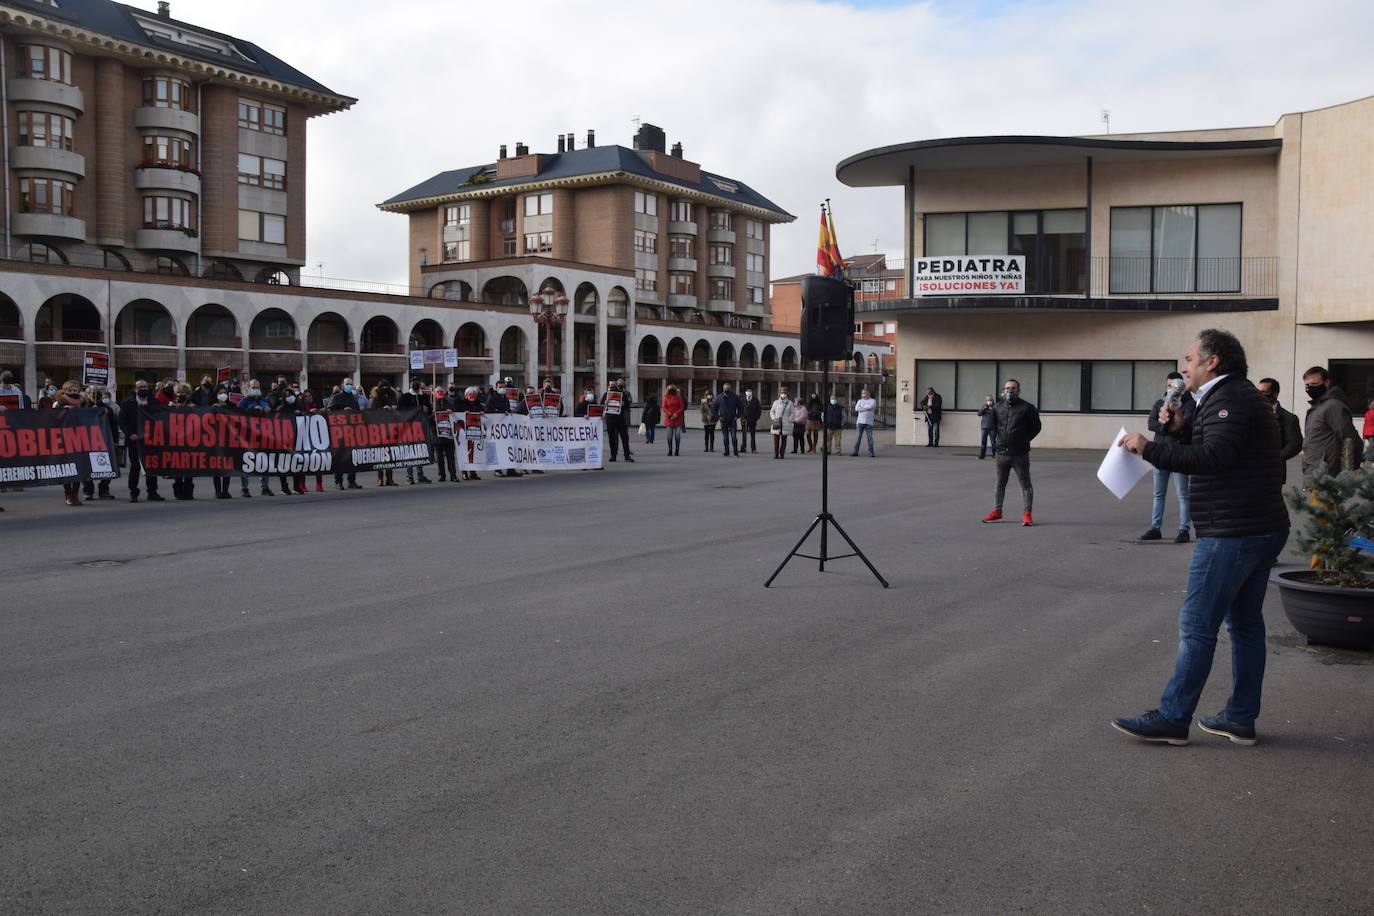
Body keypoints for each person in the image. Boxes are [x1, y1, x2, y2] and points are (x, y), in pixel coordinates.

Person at [1113, 329, 1289, 746]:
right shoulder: (1229, 398)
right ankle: (1239, 718)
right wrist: (1178, 427)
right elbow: (1216, 447)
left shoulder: (1229, 398)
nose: (1184, 367)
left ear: (1213, 362)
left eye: (1190, 359)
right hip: (1257, 525)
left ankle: (1174, 717)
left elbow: (1213, 458)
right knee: (1245, 625)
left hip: (1235, 531)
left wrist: (1149, 447)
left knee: (1197, 626)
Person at [1140, 371, 1195, 544]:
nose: (1172, 389)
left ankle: (1184, 530)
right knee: (1158, 494)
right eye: (1169, 386)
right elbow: (1152, 423)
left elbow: (1186, 426)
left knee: (1183, 494)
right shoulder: (1159, 403)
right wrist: (1168, 428)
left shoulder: (1190, 404)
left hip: (1179, 454)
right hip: (1160, 454)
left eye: (1175, 386)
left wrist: (1169, 425)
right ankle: (1155, 528)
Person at [981, 380, 1041, 526]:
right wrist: (999, 440)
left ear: (1018, 390)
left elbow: (1036, 427)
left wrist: (1024, 439)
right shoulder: (997, 407)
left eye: (1013, 388)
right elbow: (993, 425)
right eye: (1008, 388)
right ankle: (997, 512)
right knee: (1000, 484)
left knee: (1025, 484)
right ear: (1003, 390)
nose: (1010, 391)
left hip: (1020, 453)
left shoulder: (1027, 407)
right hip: (1002, 453)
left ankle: (1027, 514)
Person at [1300, 366, 1360, 478]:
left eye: (1314, 384)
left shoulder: (1333, 406)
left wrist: (1349, 471)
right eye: (1307, 385)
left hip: (1327, 476)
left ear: (1326, 382)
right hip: (1314, 472)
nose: (1309, 388)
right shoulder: (1317, 407)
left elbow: (1350, 438)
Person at [120, 379, 163, 503]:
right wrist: (130, 434)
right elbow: (122, 421)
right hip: (134, 440)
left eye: (145, 386)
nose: (143, 389)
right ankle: (134, 492)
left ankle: (152, 492)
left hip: (151, 439)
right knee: (135, 467)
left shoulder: (154, 402)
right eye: (140, 387)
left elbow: (161, 416)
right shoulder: (128, 403)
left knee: (151, 465)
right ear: (135, 389)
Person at [50, 382, 87, 506]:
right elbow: (53, 419)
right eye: (71, 390)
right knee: (67, 468)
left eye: (76, 390)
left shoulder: (82, 403)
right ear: (65, 391)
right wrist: (64, 411)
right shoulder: (58, 404)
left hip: (79, 439)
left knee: (78, 467)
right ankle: (67, 493)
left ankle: (75, 494)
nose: (73, 392)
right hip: (64, 440)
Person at [239, 379, 276, 496]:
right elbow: (237, 414)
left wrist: (268, 411)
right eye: (253, 387)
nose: (255, 389)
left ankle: (265, 487)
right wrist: (251, 410)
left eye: (257, 387)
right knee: (245, 461)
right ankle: (244, 488)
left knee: (264, 461)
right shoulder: (244, 401)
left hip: (262, 435)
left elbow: (272, 414)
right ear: (249, 388)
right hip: (247, 436)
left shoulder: (264, 400)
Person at [81, 385, 117, 501]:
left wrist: (115, 440)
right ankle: (88, 491)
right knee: (86, 467)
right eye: (92, 392)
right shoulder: (82, 408)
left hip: (104, 441)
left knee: (107, 467)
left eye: (97, 392)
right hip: (87, 441)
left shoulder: (108, 409)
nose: (94, 394)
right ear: (87, 395)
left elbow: (113, 425)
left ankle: (104, 489)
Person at [1256, 378, 1303, 462]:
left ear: (1275, 394)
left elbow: (1294, 445)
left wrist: (1274, 458)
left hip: (1273, 470)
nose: (1260, 395)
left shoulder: (1289, 418)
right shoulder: (1252, 413)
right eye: (1258, 392)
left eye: (1264, 392)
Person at [328, 380, 363, 490]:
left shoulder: (353, 398)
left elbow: (358, 411)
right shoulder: (337, 397)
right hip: (340, 432)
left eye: (351, 384)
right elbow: (330, 411)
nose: (349, 386)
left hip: (352, 431)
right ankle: (338, 481)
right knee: (340, 457)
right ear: (342, 385)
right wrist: (343, 411)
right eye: (347, 384)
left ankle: (351, 481)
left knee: (352, 457)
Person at [398, 379, 434, 484]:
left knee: (420, 451)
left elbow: (430, 409)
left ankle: (420, 475)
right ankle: (410, 476)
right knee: (409, 452)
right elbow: (400, 409)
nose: (416, 385)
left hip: (421, 427)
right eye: (415, 383)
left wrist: (428, 409)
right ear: (410, 384)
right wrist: (417, 408)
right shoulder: (405, 396)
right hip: (409, 428)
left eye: (418, 383)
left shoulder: (424, 397)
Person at [168, 382, 196, 500]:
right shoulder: (171, 405)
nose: (180, 395)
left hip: (190, 440)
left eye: (183, 393)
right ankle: (178, 490)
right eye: (178, 393)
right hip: (176, 440)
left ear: (187, 394)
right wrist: (174, 409)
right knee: (178, 466)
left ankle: (188, 491)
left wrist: (191, 410)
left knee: (189, 467)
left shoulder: (193, 406)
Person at [602, 379, 634, 462]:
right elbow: (601, 404)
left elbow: (627, 405)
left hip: (620, 419)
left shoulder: (622, 394)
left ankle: (626, 455)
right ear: (608, 386)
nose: (612, 387)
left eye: (613, 385)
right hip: (610, 418)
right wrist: (605, 402)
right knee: (612, 438)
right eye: (611, 385)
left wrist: (623, 404)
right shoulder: (606, 394)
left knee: (624, 437)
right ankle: (613, 455)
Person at [715, 383, 743, 457]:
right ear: (723, 388)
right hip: (723, 420)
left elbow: (741, 408)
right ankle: (726, 451)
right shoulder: (719, 397)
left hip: (732, 420)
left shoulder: (735, 397)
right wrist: (718, 416)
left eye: (728, 388)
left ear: (730, 389)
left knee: (734, 437)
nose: (726, 389)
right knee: (725, 437)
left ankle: (735, 452)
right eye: (725, 388)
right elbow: (714, 408)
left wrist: (737, 416)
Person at [850, 388, 877, 457]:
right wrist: (866, 408)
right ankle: (855, 451)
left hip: (869, 423)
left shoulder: (873, 401)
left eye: (865, 393)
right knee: (858, 438)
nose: (863, 394)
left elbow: (871, 406)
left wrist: (862, 408)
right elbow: (856, 408)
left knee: (870, 438)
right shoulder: (860, 401)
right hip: (860, 422)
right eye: (862, 393)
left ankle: (871, 452)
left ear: (868, 393)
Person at [770, 387, 793, 459]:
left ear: (787, 394)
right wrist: (774, 418)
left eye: (784, 393)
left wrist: (789, 419)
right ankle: (776, 453)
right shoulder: (776, 402)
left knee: (784, 439)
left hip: (785, 422)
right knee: (776, 439)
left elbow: (793, 412)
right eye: (782, 393)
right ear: (779, 394)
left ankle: (782, 453)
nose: (783, 394)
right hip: (777, 422)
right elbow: (772, 411)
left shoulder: (790, 403)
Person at [661, 385, 685, 456]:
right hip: (669, 419)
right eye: (670, 390)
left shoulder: (678, 398)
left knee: (677, 435)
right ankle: (670, 450)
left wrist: (676, 414)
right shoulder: (666, 397)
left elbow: (681, 407)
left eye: (672, 390)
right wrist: (670, 414)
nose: (671, 391)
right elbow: (664, 407)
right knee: (669, 436)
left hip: (677, 418)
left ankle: (677, 449)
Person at [977, 394, 998, 459]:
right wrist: (984, 409)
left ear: (993, 400)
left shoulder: (996, 406)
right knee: (983, 443)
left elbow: (999, 416)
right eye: (988, 400)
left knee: (993, 443)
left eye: (990, 400)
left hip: (993, 427)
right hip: (984, 427)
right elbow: (979, 414)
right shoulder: (984, 406)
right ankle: (982, 455)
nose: (989, 401)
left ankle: (995, 455)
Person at [741, 388, 762, 453]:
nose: (749, 393)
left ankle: (753, 448)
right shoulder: (742, 400)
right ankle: (743, 448)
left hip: (752, 420)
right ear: (745, 393)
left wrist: (756, 418)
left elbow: (758, 410)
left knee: (753, 435)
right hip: (744, 420)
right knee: (744, 435)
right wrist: (742, 417)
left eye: (750, 392)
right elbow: (740, 409)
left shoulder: (755, 400)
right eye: (747, 392)